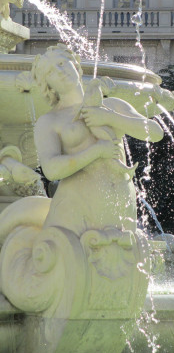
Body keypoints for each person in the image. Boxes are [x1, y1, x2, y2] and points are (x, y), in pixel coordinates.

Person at [31, 43, 164, 237]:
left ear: (76, 66)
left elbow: (155, 132)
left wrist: (110, 118)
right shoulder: (49, 122)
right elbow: (51, 169)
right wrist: (97, 151)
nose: (59, 71)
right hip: (76, 205)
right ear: (48, 86)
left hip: (120, 200)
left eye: (62, 63)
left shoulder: (111, 105)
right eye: (51, 71)